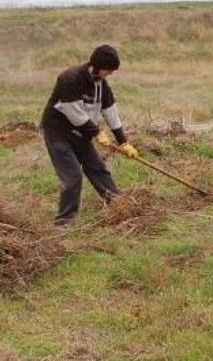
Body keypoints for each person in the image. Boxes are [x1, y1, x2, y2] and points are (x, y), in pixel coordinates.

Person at [40, 44, 139, 225]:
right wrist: (97, 132)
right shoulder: (69, 78)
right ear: (98, 65)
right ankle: (64, 221)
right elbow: (73, 112)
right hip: (58, 133)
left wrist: (123, 142)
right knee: (72, 177)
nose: (111, 73)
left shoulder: (102, 85)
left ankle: (119, 206)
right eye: (109, 69)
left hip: (81, 133)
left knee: (98, 169)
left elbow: (110, 112)